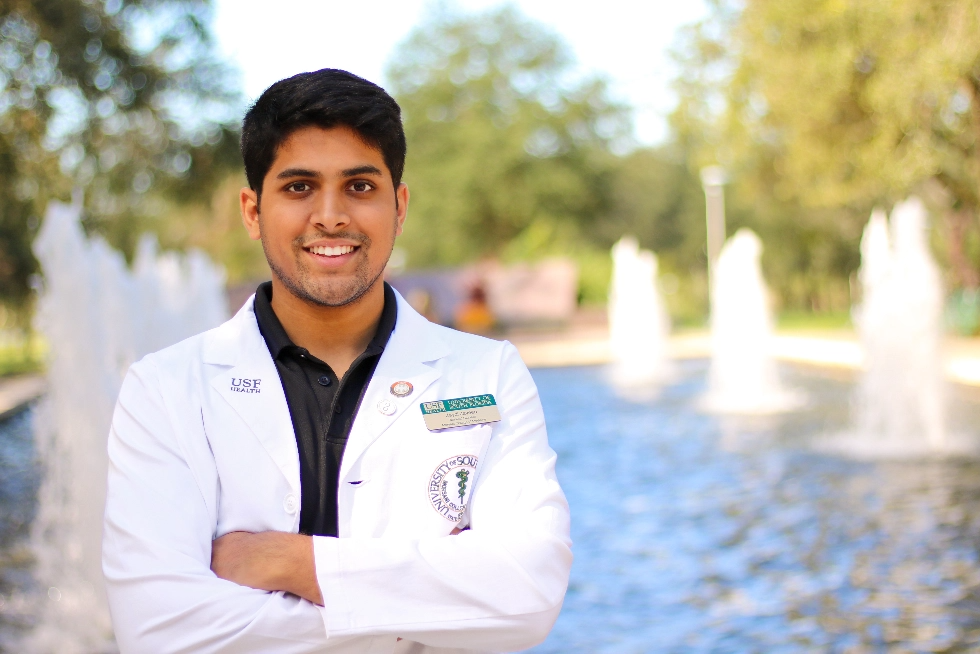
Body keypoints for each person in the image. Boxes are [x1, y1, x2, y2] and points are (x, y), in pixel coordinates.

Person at [102, 69, 572, 653]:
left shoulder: (487, 374)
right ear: (252, 210)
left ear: (399, 206)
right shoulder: (165, 391)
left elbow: (528, 592)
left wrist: (293, 562)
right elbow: (162, 633)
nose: (331, 216)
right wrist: (427, 606)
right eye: (299, 187)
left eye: (360, 186)